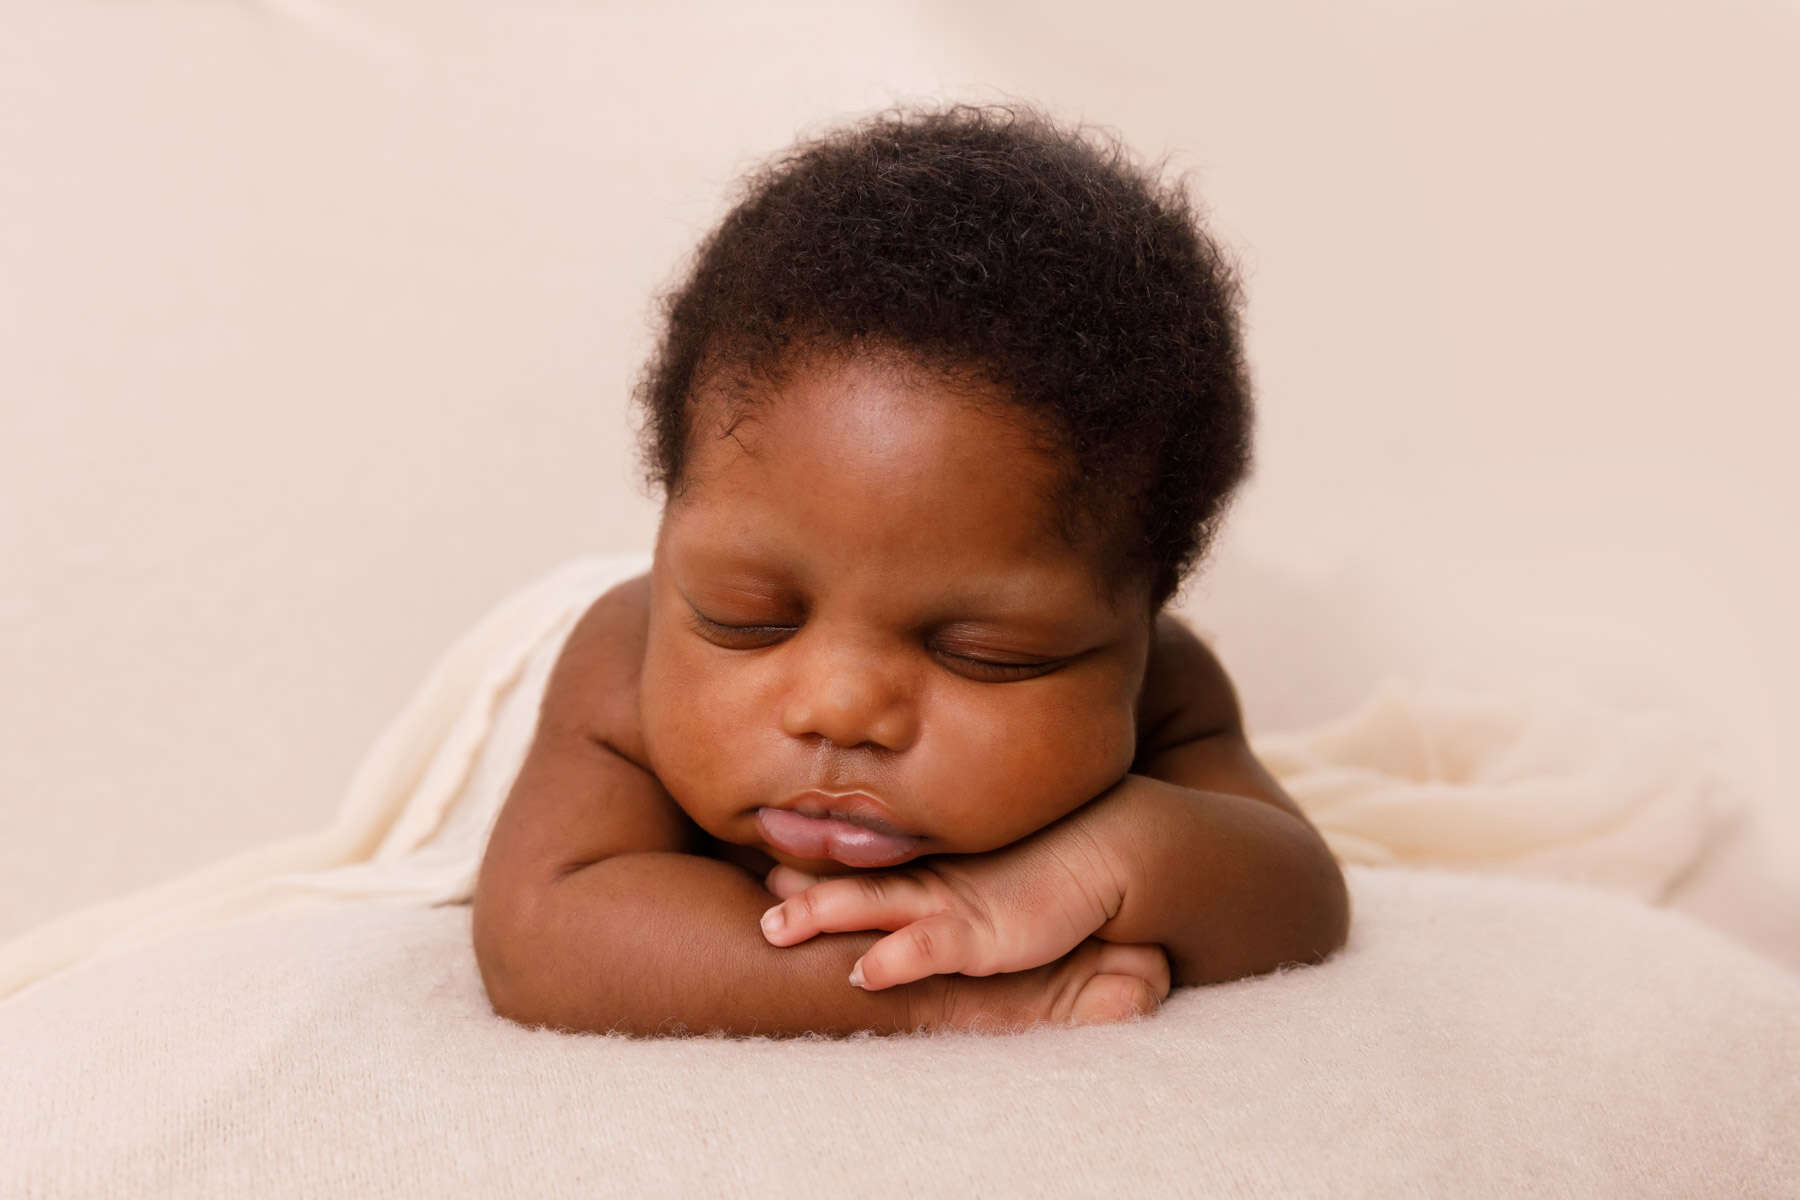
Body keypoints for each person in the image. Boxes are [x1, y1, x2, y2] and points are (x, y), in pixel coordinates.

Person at [471, 104, 1350, 1038]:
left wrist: (1101, 865)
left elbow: (1300, 890)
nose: (842, 708)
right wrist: (953, 988)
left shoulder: (1167, 684)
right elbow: (539, 939)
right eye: (747, 618)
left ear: (1140, 622)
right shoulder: (622, 655)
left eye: (986, 653)